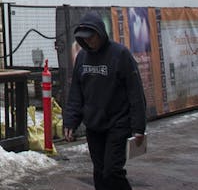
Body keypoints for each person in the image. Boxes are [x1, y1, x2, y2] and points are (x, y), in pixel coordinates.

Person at [63, 11, 147, 190]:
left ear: (100, 33)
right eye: (85, 39)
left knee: (112, 171)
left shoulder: (120, 54)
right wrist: (71, 122)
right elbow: (76, 93)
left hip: (118, 122)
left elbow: (135, 91)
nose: (89, 41)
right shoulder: (82, 58)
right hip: (94, 125)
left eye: (92, 37)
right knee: (100, 172)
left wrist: (138, 127)